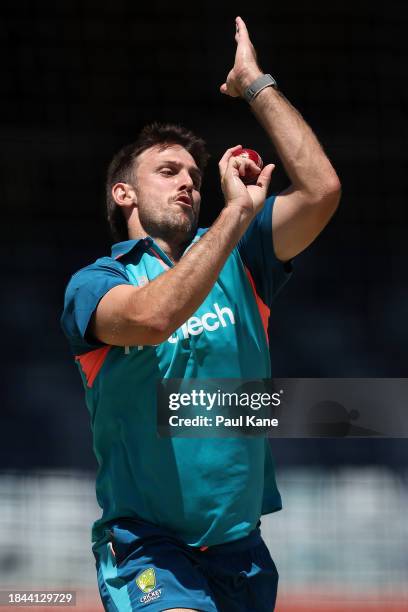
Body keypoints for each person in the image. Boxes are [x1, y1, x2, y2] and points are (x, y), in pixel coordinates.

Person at [61, 16, 340, 612]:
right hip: (147, 545)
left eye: (193, 174)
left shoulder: (241, 258)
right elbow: (155, 317)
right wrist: (236, 218)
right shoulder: (94, 284)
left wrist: (255, 84)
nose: (188, 182)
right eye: (168, 172)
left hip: (242, 549)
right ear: (125, 194)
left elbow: (321, 192)